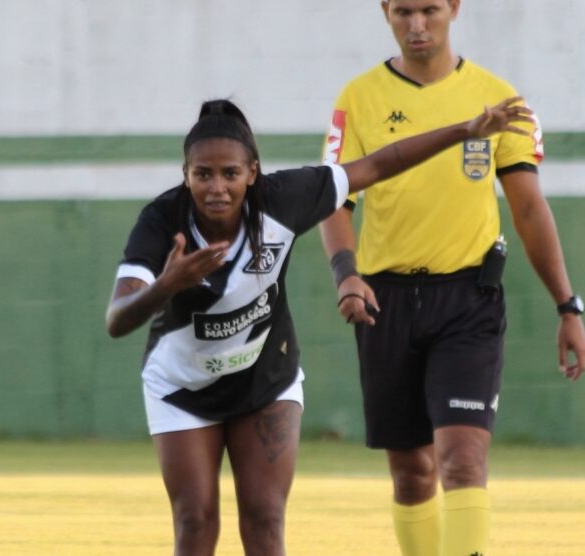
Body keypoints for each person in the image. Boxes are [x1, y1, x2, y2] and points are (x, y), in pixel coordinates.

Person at [104, 97, 533, 556]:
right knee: (195, 520)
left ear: (252, 172)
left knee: (265, 518)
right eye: (202, 174)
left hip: (266, 380)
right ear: (185, 174)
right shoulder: (161, 222)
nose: (217, 187)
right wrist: (166, 285)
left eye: (230, 173)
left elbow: (380, 163)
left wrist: (464, 131)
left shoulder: (284, 199)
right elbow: (118, 318)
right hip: (181, 385)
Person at [318, 1, 585, 554]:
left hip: (468, 300)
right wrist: (346, 274)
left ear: (454, 8)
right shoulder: (358, 97)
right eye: (404, 11)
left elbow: (529, 209)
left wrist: (567, 306)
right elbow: (336, 200)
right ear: (386, 12)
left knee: (463, 462)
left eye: (430, 9)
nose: (417, 25)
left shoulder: (499, 99)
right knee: (412, 474)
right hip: (385, 300)